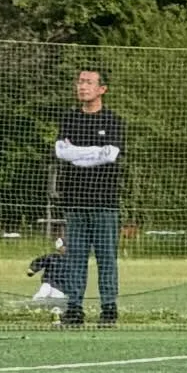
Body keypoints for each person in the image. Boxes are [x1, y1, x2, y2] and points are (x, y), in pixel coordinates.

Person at [54, 69, 125, 329]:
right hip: (74, 200)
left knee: (106, 257)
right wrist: (94, 152)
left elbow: (111, 155)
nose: (82, 86)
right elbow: (62, 152)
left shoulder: (114, 121)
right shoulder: (69, 119)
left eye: (88, 82)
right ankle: (74, 309)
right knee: (76, 258)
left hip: (105, 203)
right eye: (80, 82)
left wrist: (79, 154)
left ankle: (108, 309)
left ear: (102, 89)